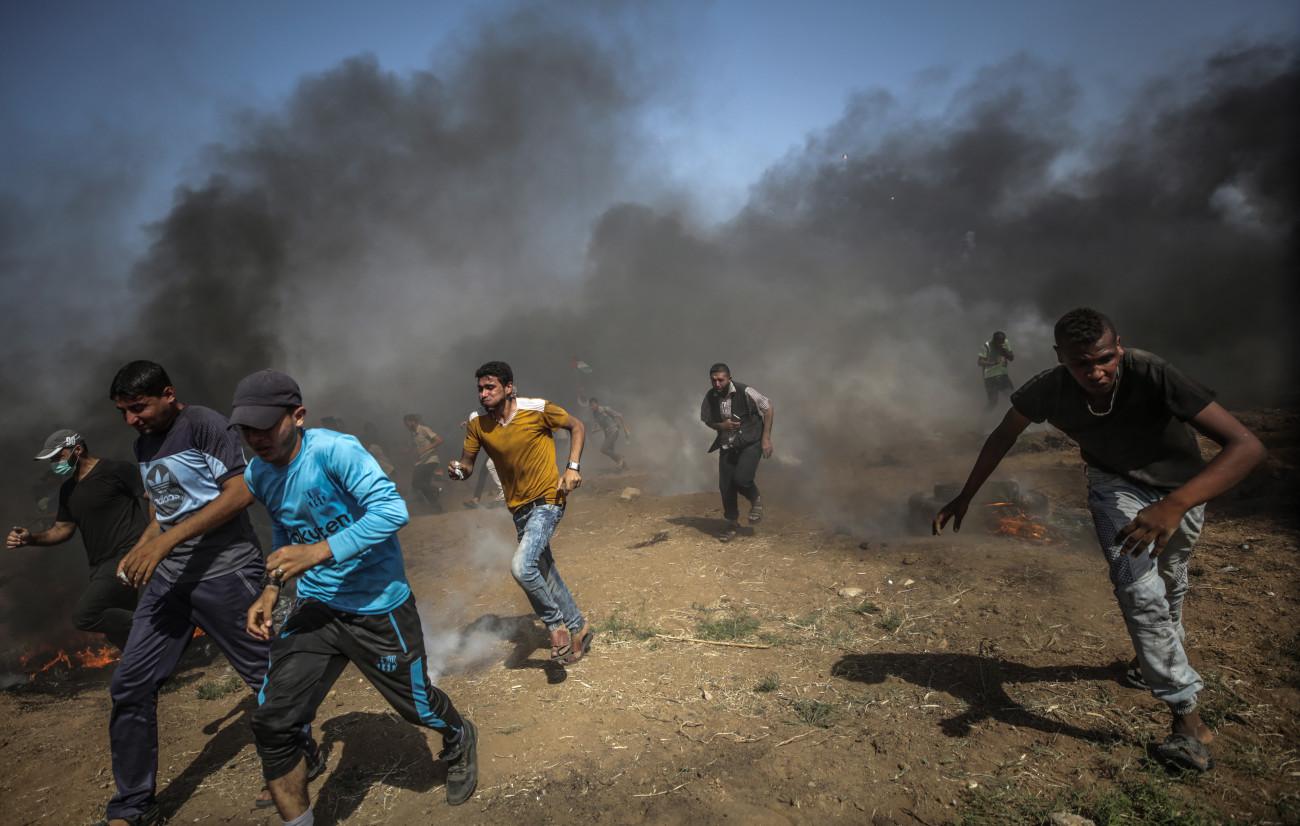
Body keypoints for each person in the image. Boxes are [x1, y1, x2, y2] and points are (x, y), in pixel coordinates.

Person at [933, 308, 1266, 774]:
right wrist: (966, 494)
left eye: (1105, 359)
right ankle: (1187, 717)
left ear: (1119, 348)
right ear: (1061, 358)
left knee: (1170, 577)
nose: (1095, 372)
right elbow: (1002, 435)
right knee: (1137, 588)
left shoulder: (1151, 372)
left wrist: (1175, 505)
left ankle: (1148, 661)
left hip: (1182, 491)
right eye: (1081, 364)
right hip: (1114, 487)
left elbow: (1247, 446)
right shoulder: (1049, 388)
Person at [234, 369, 477, 825]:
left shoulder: (335, 451)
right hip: (316, 606)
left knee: (418, 706)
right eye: (246, 429)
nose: (256, 438)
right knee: (273, 718)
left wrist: (318, 551)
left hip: (376, 606)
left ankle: (460, 735)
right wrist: (271, 586)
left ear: (298, 416)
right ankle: (300, 779)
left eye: (265, 426)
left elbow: (392, 510)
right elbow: (286, 526)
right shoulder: (259, 472)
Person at [101, 361, 320, 826]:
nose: (131, 420)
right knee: (129, 685)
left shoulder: (204, 424)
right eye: (123, 412)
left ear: (168, 393)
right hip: (170, 582)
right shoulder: (144, 443)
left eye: (138, 407)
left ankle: (301, 755)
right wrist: (142, 548)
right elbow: (164, 511)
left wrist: (164, 544)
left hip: (225, 572)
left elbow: (240, 492)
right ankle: (133, 805)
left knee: (265, 676)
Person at [446, 361, 593, 664]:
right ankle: (578, 627)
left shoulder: (536, 409)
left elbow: (577, 426)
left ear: (509, 387)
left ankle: (556, 626)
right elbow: (468, 464)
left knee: (522, 567)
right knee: (544, 570)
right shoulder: (478, 425)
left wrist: (572, 467)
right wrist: (459, 471)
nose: (483, 394)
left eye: (490, 387)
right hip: (519, 509)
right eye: (480, 389)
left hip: (548, 500)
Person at [6, 430, 145, 650]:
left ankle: (156, 623)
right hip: (99, 565)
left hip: (127, 556)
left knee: (86, 616)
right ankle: (153, 664)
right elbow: (62, 529)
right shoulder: (68, 490)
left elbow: (152, 497)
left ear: (77, 449)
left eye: (58, 457)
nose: (54, 464)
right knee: (118, 632)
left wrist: (151, 542)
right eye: (52, 460)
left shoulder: (116, 470)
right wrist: (31, 539)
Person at [699, 363, 774, 541]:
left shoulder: (745, 391)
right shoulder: (710, 396)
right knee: (726, 486)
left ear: (729, 378)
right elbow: (707, 419)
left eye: (721, 380)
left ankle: (755, 499)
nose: (717, 384)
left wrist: (766, 439)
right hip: (727, 444)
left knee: (742, 478)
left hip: (751, 442)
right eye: (713, 380)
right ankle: (732, 523)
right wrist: (722, 426)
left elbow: (768, 408)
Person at [403, 413, 444, 511]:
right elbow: (415, 446)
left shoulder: (423, 429)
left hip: (430, 460)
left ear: (413, 421)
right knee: (422, 485)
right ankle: (436, 507)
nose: (406, 426)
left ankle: (437, 489)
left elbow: (439, 440)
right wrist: (407, 451)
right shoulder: (413, 434)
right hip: (422, 461)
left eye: (407, 423)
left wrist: (426, 449)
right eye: (405, 424)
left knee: (417, 483)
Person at [579, 393, 630, 470]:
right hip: (607, 433)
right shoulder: (595, 414)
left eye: (593, 404)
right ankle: (625, 466)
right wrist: (594, 430)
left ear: (597, 404)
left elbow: (620, 415)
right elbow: (599, 425)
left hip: (613, 431)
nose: (592, 407)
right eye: (590, 406)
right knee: (610, 451)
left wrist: (625, 428)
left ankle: (620, 457)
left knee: (604, 449)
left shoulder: (605, 409)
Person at [979, 331, 1016, 409]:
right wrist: (993, 363)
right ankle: (982, 416)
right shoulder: (986, 346)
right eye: (998, 343)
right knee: (993, 402)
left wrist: (1005, 352)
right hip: (990, 378)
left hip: (1002, 376)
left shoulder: (1005, 343)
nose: (1000, 344)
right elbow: (980, 362)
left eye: (1002, 342)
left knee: (1013, 397)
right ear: (994, 341)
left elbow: (1011, 358)